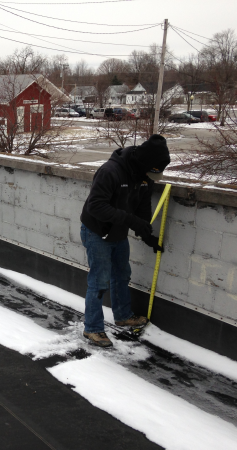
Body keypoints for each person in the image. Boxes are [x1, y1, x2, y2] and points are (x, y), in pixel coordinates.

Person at [79, 134, 171, 347]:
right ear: (144, 164)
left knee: (121, 275)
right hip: (97, 232)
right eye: (152, 172)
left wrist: (146, 233)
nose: (152, 177)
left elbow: (142, 206)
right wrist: (131, 221)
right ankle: (92, 328)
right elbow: (96, 206)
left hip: (118, 233)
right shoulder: (110, 172)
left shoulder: (143, 176)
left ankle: (122, 315)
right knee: (99, 282)